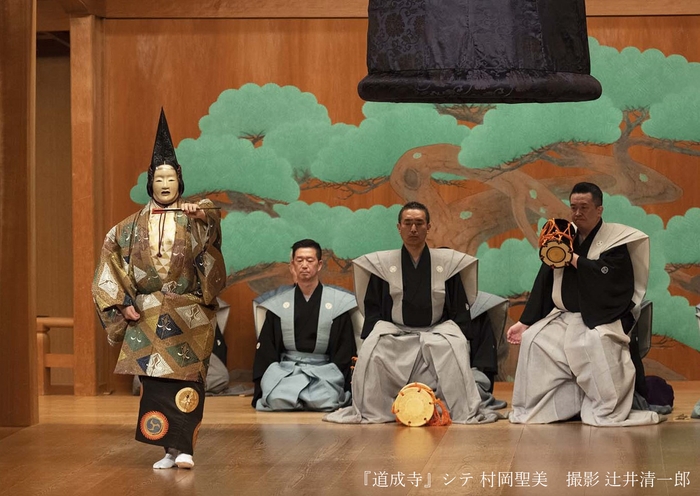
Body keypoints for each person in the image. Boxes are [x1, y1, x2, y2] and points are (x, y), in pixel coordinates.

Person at [92, 109, 226, 469]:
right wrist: (122, 304)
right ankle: (167, 449)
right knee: (153, 384)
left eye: (171, 178)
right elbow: (108, 266)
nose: (165, 184)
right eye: (159, 178)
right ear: (150, 183)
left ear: (179, 180)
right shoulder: (127, 227)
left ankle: (185, 449)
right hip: (147, 312)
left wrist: (204, 215)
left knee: (188, 381)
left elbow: (213, 225)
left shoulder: (194, 215)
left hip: (188, 311)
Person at [325, 201, 500, 424]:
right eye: (408, 223)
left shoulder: (447, 264)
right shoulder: (382, 265)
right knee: (373, 350)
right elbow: (373, 309)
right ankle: (376, 410)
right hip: (396, 333)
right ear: (399, 227)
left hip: (436, 332)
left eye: (419, 223)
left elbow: (458, 308)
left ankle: (453, 409)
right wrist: (378, 332)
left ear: (429, 227)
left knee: (454, 347)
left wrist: (458, 333)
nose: (413, 229)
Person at [507, 182, 660, 426]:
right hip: (565, 316)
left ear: (599, 210)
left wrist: (573, 258)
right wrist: (525, 322)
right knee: (534, 340)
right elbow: (545, 280)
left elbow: (611, 280)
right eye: (573, 207)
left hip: (602, 317)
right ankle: (552, 408)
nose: (577, 213)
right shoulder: (564, 235)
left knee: (595, 342)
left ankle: (605, 409)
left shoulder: (615, 241)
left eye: (584, 207)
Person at [252, 239, 358, 411]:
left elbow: (344, 351)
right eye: (299, 260)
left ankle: (303, 399)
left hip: (324, 372)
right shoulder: (278, 305)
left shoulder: (337, 304)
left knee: (327, 399)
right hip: (287, 372)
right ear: (292, 265)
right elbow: (267, 351)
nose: (304, 265)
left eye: (310, 260)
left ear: (319, 265)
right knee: (277, 398)